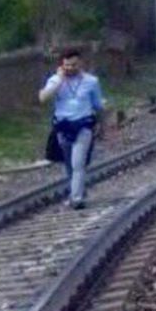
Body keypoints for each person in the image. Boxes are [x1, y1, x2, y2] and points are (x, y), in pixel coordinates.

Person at [39, 49, 104, 210]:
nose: (70, 68)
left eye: (74, 65)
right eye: (67, 65)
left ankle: (76, 199)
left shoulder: (91, 81)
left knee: (78, 164)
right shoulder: (55, 80)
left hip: (83, 126)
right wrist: (59, 80)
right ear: (62, 65)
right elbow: (43, 98)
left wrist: (101, 124)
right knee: (69, 165)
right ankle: (79, 191)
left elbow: (98, 106)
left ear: (80, 63)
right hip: (63, 127)